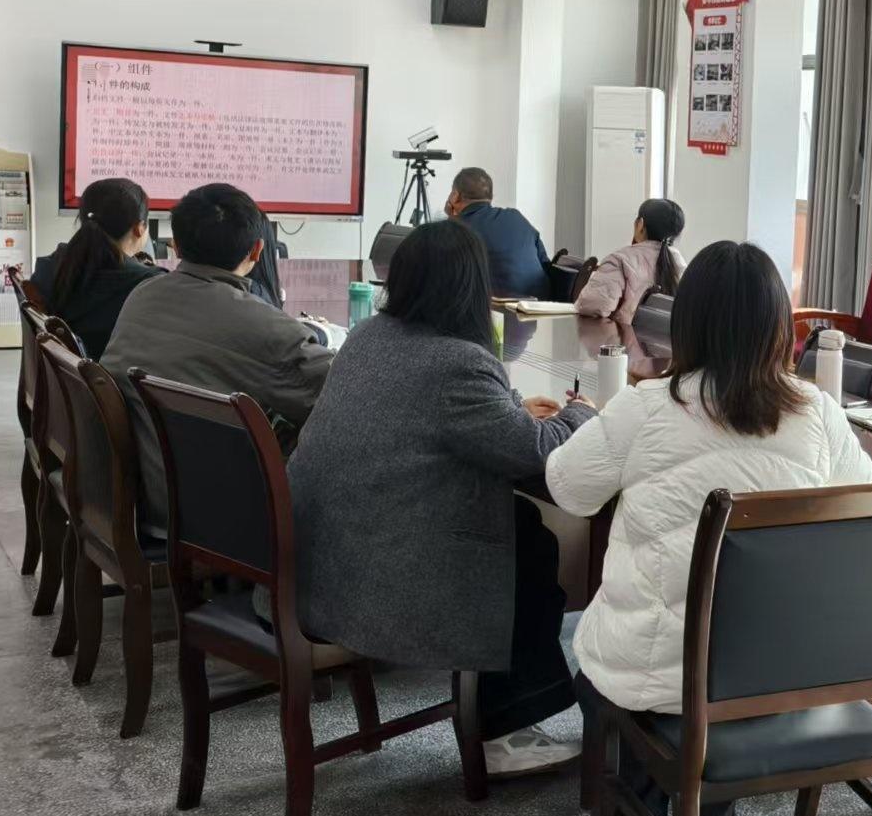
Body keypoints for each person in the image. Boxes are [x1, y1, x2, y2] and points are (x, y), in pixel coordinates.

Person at [546, 241, 872, 816]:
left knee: (610, 664)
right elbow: (857, 499)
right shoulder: (817, 413)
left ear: (684, 322)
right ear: (777, 326)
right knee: (716, 657)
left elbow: (568, 488)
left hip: (659, 676)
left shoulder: (646, 406)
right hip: (776, 669)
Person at [289, 219, 593, 778]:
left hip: (323, 564)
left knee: (522, 525)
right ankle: (503, 731)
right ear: (473, 287)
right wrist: (580, 414)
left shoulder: (368, 337)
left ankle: (506, 715)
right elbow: (535, 453)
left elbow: (446, 414)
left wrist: (509, 408)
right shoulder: (456, 363)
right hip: (382, 581)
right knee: (525, 543)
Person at [103, 183, 334, 531]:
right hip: (214, 513)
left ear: (176, 244)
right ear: (257, 250)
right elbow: (343, 397)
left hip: (137, 490)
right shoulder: (266, 328)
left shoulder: (143, 294)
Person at [28, 177, 158, 359]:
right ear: (140, 228)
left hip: (72, 372)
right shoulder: (149, 284)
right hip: (114, 374)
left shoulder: (48, 267)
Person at [444, 166, 552, 299]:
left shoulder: (455, 229)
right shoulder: (516, 217)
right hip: (539, 304)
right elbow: (545, 264)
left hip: (490, 307)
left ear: (455, 195)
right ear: (490, 197)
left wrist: (451, 219)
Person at [571, 198, 684, 322]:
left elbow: (591, 307)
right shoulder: (680, 264)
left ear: (640, 224)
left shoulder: (620, 260)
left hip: (624, 334)